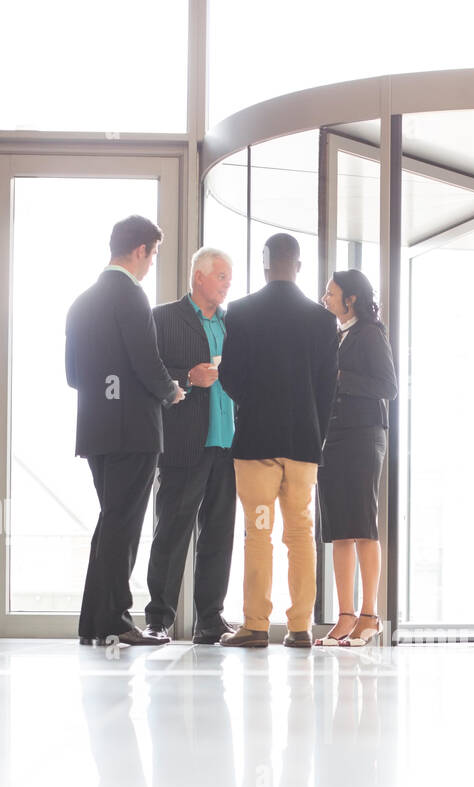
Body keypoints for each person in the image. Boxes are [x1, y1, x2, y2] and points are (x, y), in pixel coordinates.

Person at [66, 214, 185, 647]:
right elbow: (146, 363)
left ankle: (93, 622)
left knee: (111, 521)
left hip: (95, 429)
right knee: (123, 524)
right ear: (140, 251)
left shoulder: (81, 301)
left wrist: (107, 393)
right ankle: (115, 620)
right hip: (134, 431)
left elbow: (73, 375)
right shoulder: (132, 296)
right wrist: (171, 390)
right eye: (152, 255)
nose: (151, 264)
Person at [217, 233, 338, 648]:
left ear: (265, 262)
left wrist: (254, 403)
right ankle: (301, 627)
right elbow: (327, 390)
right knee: (302, 534)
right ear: (299, 266)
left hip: (256, 444)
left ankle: (255, 625)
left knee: (259, 531)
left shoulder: (243, 311)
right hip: (304, 447)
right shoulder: (323, 320)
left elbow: (229, 376)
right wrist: (314, 432)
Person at [143, 247, 238, 644]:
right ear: (198, 276)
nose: (227, 283)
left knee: (218, 533)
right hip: (183, 443)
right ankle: (158, 620)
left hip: (228, 443)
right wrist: (187, 376)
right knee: (172, 531)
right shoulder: (163, 318)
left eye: (229, 277)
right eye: (221, 276)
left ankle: (210, 621)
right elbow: (148, 371)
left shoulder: (234, 324)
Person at [316, 269, 397, 646]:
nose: (324, 297)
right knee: (338, 528)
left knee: (363, 523)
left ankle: (370, 615)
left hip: (364, 436)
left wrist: (339, 378)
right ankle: (344, 615)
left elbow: (388, 387)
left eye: (331, 292)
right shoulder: (334, 335)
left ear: (350, 298)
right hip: (333, 437)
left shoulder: (370, 333)